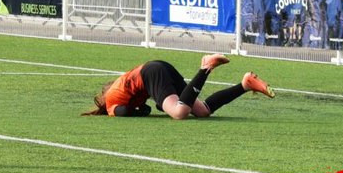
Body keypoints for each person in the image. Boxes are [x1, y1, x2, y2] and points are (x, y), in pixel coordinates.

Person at [83, 54, 275, 119]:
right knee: (201, 110)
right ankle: (245, 85)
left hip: (150, 74)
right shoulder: (118, 88)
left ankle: (206, 67)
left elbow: (124, 112)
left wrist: (141, 110)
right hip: (159, 67)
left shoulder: (110, 104)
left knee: (179, 113)